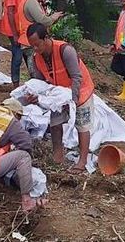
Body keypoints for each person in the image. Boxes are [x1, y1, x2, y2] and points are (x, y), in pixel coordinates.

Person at [26, 23, 95, 174]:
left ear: (46, 38)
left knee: (82, 125)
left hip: (80, 91)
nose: (35, 49)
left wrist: (74, 101)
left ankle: (82, 161)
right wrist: (37, 97)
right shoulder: (36, 58)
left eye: (37, 45)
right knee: (55, 123)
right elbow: (40, 84)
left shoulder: (65, 50)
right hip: (59, 94)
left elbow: (77, 77)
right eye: (32, 46)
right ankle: (58, 156)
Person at [16, 0, 63, 79]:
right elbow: (43, 21)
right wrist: (53, 17)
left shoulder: (24, 0)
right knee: (37, 74)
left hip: (26, 42)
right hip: (33, 43)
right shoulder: (31, 1)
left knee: (36, 73)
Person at [0, 0, 34, 88]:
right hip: (13, 30)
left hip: (21, 30)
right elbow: (9, 13)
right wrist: (15, 34)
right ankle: (15, 85)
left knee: (26, 54)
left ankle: (32, 81)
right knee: (18, 56)